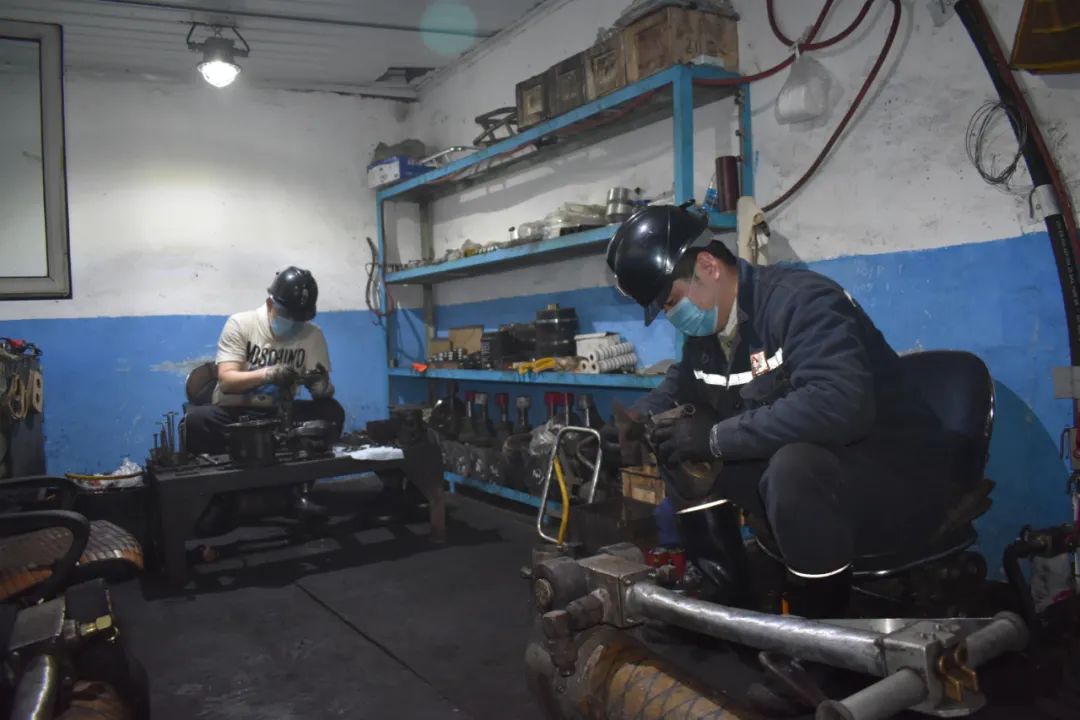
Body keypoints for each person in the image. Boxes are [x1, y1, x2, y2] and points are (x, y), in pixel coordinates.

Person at [605, 204, 956, 622]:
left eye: (671, 301)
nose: (671, 316)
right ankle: (726, 597)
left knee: (793, 467)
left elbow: (840, 402)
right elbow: (681, 385)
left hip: (891, 472)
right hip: (819, 474)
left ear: (708, 266)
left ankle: (821, 634)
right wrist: (634, 423)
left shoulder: (802, 301)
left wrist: (715, 438)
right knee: (676, 442)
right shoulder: (712, 332)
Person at [184, 266, 345, 455]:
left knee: (332, 411)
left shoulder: (312, 335)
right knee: (197, 420)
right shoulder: (240, 324)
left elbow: (323, 391)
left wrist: (323, 389)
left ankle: (295, 460)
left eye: (298, 319)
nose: (292, 323)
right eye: (286, 315)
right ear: (270, 304)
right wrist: (268, 374)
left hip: (281, 414)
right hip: (236, 412)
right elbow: (227, 381)